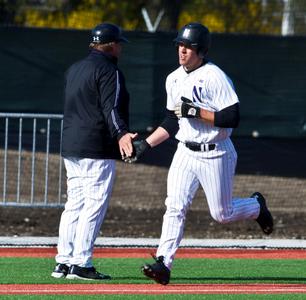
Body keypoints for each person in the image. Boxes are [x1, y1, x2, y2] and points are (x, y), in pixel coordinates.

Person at [125, 22, 273, 285]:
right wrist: (147, 143)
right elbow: (172, 119)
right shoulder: (173, 78)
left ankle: (256, 206)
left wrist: (197, 112)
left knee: (222, 214)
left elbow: (232, 117)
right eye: (180, 45)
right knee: (174, 206)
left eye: (189, 46)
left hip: (216, 153)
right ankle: (163, 263)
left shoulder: (215, 76)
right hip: (185, 152)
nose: (182, 50)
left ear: (201, 50)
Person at [51, 23, 137, 280]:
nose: (121, 47)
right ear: (110, 45)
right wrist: (121, 133)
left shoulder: (75, 69)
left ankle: (63, 263)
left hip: (71, 145)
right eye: (119, 43)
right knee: (94, 204)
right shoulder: (109, 69)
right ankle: (81, 264)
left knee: (74, 204)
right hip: (95, 146)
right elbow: (111, 107)